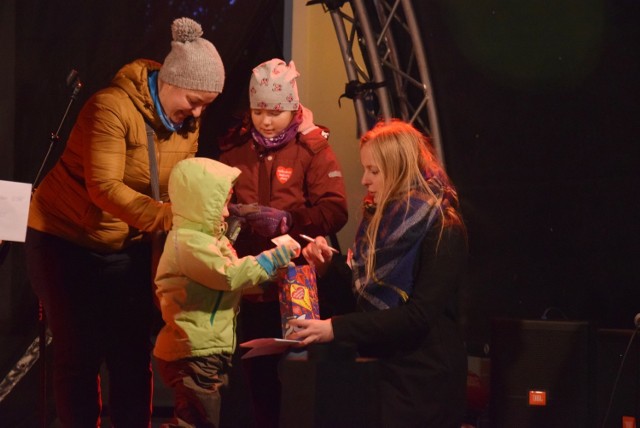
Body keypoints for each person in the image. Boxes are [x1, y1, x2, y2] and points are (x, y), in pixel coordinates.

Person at [24, 17, 225, 427]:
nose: (198, 112)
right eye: (193, 99)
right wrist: (170, 215)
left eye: (207, 104)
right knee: (78, 355)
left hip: (126, 244)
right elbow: (104, 188)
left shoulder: (189, 123)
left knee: (131, 354)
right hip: (65, 240)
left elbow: (180, 186)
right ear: (170, 80)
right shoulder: (108, 107)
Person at [288, 120, 469, 428]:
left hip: (423, 379)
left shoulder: (443, 226)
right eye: (365, 169)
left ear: (399, 170)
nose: (364, 180)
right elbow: (362, 301)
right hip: (379, 370)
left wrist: (335, 328)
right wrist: (327, 269)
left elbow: (419, 316)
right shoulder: (378, 222)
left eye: (374, 171)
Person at [217, 58, 348, 427]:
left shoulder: (312, 148)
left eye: (276, 112)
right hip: (252, 282)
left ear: (293, 109)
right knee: (257, 382)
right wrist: (231, 216)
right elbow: (217, 200)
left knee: (300, 381)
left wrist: (291, 221)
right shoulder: (234, 146)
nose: (266, 120)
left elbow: (335, 209)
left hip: (298, 285)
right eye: (259, 110)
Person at [152, 157, 299, 428]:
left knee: (197, 420)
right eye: (219, 204)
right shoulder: (189, 242)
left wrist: (270, 279)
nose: (225, 213)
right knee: (198, 421)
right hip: (193, 351)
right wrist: (274, 258)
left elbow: (226, 285)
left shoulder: (206, 241)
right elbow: (229, 276)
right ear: (199, 204)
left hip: (204, 350)